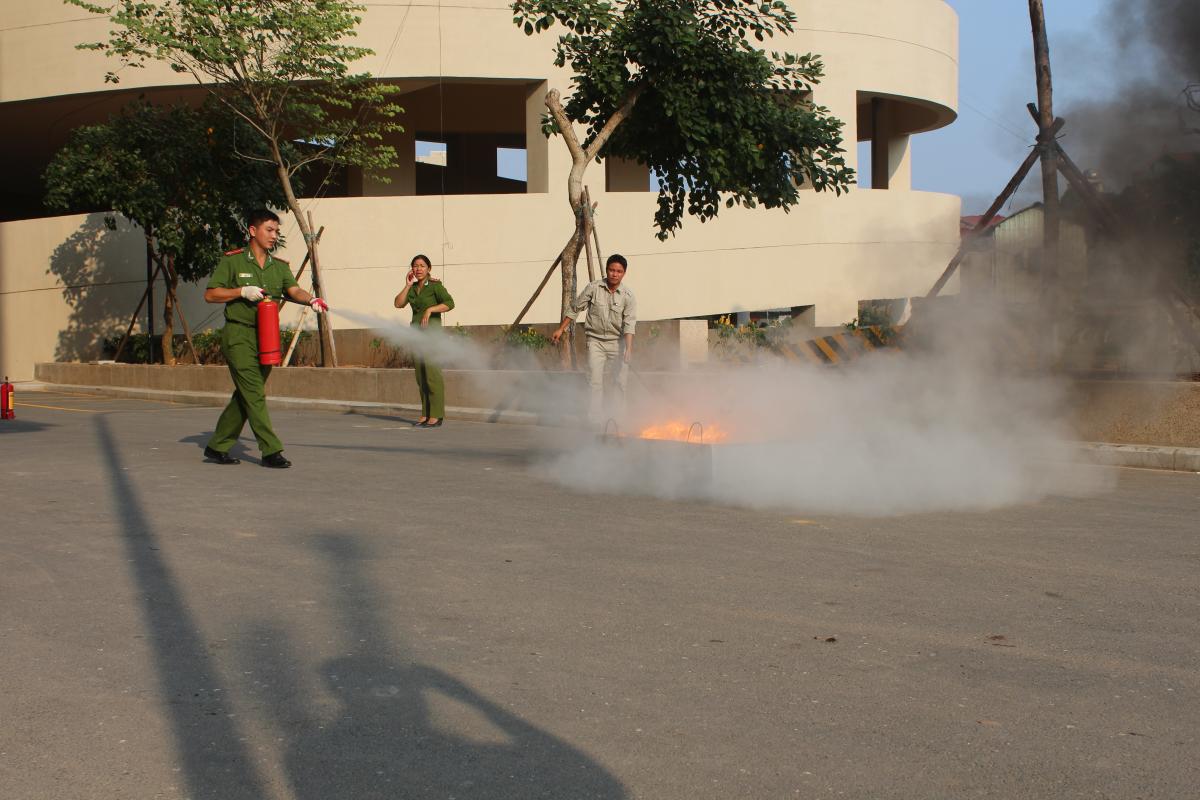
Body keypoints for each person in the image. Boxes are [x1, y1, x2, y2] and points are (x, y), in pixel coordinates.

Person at [202, 209, 329, 468]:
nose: (274, 236)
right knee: (254, 392)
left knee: (247, 394)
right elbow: (211, 294)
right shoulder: (233, 262)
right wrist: (241, 291)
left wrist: (311, 299)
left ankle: (217, 446)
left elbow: (293, 289)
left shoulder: (278, 267)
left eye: (277, 231)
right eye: (269, 230)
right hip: (239, 334)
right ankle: (271, 450)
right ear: (252, 231)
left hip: (266, 337)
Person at [550, 254, 636, 425]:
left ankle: (617, 419)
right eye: (612, 270)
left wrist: (628, 349)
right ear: (607, 270)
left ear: (624, 273)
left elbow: (629, 324)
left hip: (617, 343)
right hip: (595, 342)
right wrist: (561, 329)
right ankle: (594, 421)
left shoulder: (628, 296)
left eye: (619, 271)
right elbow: (575, 308)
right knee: (595, 382)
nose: (614, 274)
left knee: (619, 382)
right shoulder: (594, 288)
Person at [394, 254, 455, 428]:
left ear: (429, 268)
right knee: (421, 376)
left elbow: (450, 303)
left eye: (422, 265)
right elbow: (398, 304)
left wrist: (430, 310)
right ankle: (426, 412)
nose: (418, 269)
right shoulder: (412, 288)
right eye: (415, 266)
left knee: (432, 375)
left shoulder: (435, 286)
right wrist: (407, 285)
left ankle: (436, 414)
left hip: (432, 337)